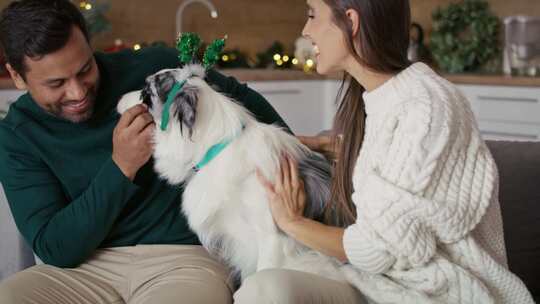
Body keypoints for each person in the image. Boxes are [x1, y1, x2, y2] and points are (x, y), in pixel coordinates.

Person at [242, 0, 536, 303]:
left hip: (439, 291)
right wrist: (333, 146)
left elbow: (376, 249)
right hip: (385, 283)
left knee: (267, 290)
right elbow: (403, 167)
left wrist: (292, 223)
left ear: (351, 21)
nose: (306, 30)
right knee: (261, 284)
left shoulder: (425, 105)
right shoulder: (385, 99)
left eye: (312, 14)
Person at [0, 0, 290, 303]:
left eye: (85, 69)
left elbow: (242, 100)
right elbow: (56, 248)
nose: (78, 91)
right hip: (80, 270)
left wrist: (293, 153)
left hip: (182, 260)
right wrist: (121, 167)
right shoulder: (17, 135)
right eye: (56, 83)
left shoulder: (154, 68)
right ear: (17, 76)